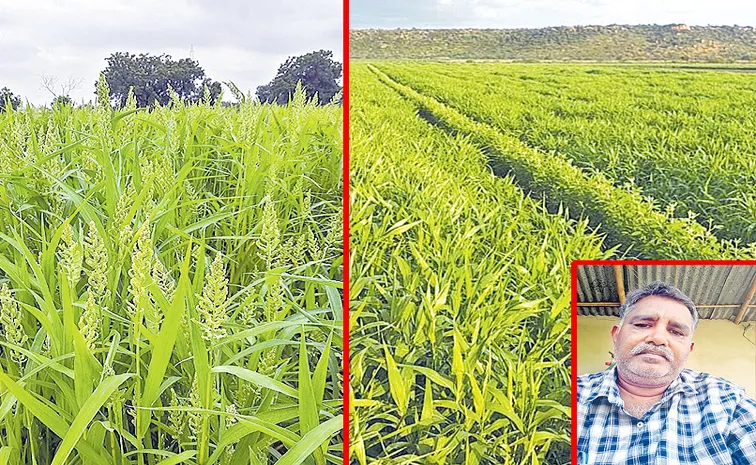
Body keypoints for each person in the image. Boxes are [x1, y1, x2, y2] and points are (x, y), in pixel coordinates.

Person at [577, 281, 756, 465]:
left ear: (689, 349)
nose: (658, 338)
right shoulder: (572, 395)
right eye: (643, 324)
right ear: (616, 335)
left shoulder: (727, 399)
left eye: (676, 332)